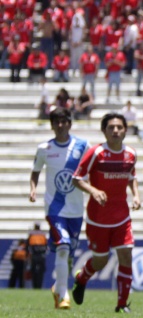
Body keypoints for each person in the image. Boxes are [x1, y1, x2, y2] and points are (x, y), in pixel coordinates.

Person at [71, 113, 141, 313]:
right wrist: (93, 191)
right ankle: (81, 278)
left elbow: (131, 176)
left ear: (125, 130)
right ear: (104, 131)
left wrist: (136, 195)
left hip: (122, 217)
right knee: (100, 261)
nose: (115, 131)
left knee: (126, 256)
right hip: (98, 219)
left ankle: (122, 305)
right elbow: (76, 178)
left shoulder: (131, 154)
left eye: (119, 127)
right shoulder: (96, 153)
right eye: (111, 127)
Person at [29, 108, 90, 306]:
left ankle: (58, 286)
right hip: (54, 208)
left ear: (70, 124)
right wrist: (33, 189)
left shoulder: (82, 145)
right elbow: (35, 171)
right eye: (57, 122)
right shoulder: (44, 148)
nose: (61, 125)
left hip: (76, 209)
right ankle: (63, 295)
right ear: (52, 125)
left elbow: (92, 167)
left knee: (68, 253)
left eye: (64, 121)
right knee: (63, 246)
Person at [26, 223, 48, 289]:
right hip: (41, 255)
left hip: (34, 255)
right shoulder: (43, 234)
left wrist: (27, 254)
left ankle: (34, 285)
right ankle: (39, 286)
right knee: (41, 271)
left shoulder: (31, 234)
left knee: (33, 271)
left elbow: (27, 245)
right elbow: (46, 245)